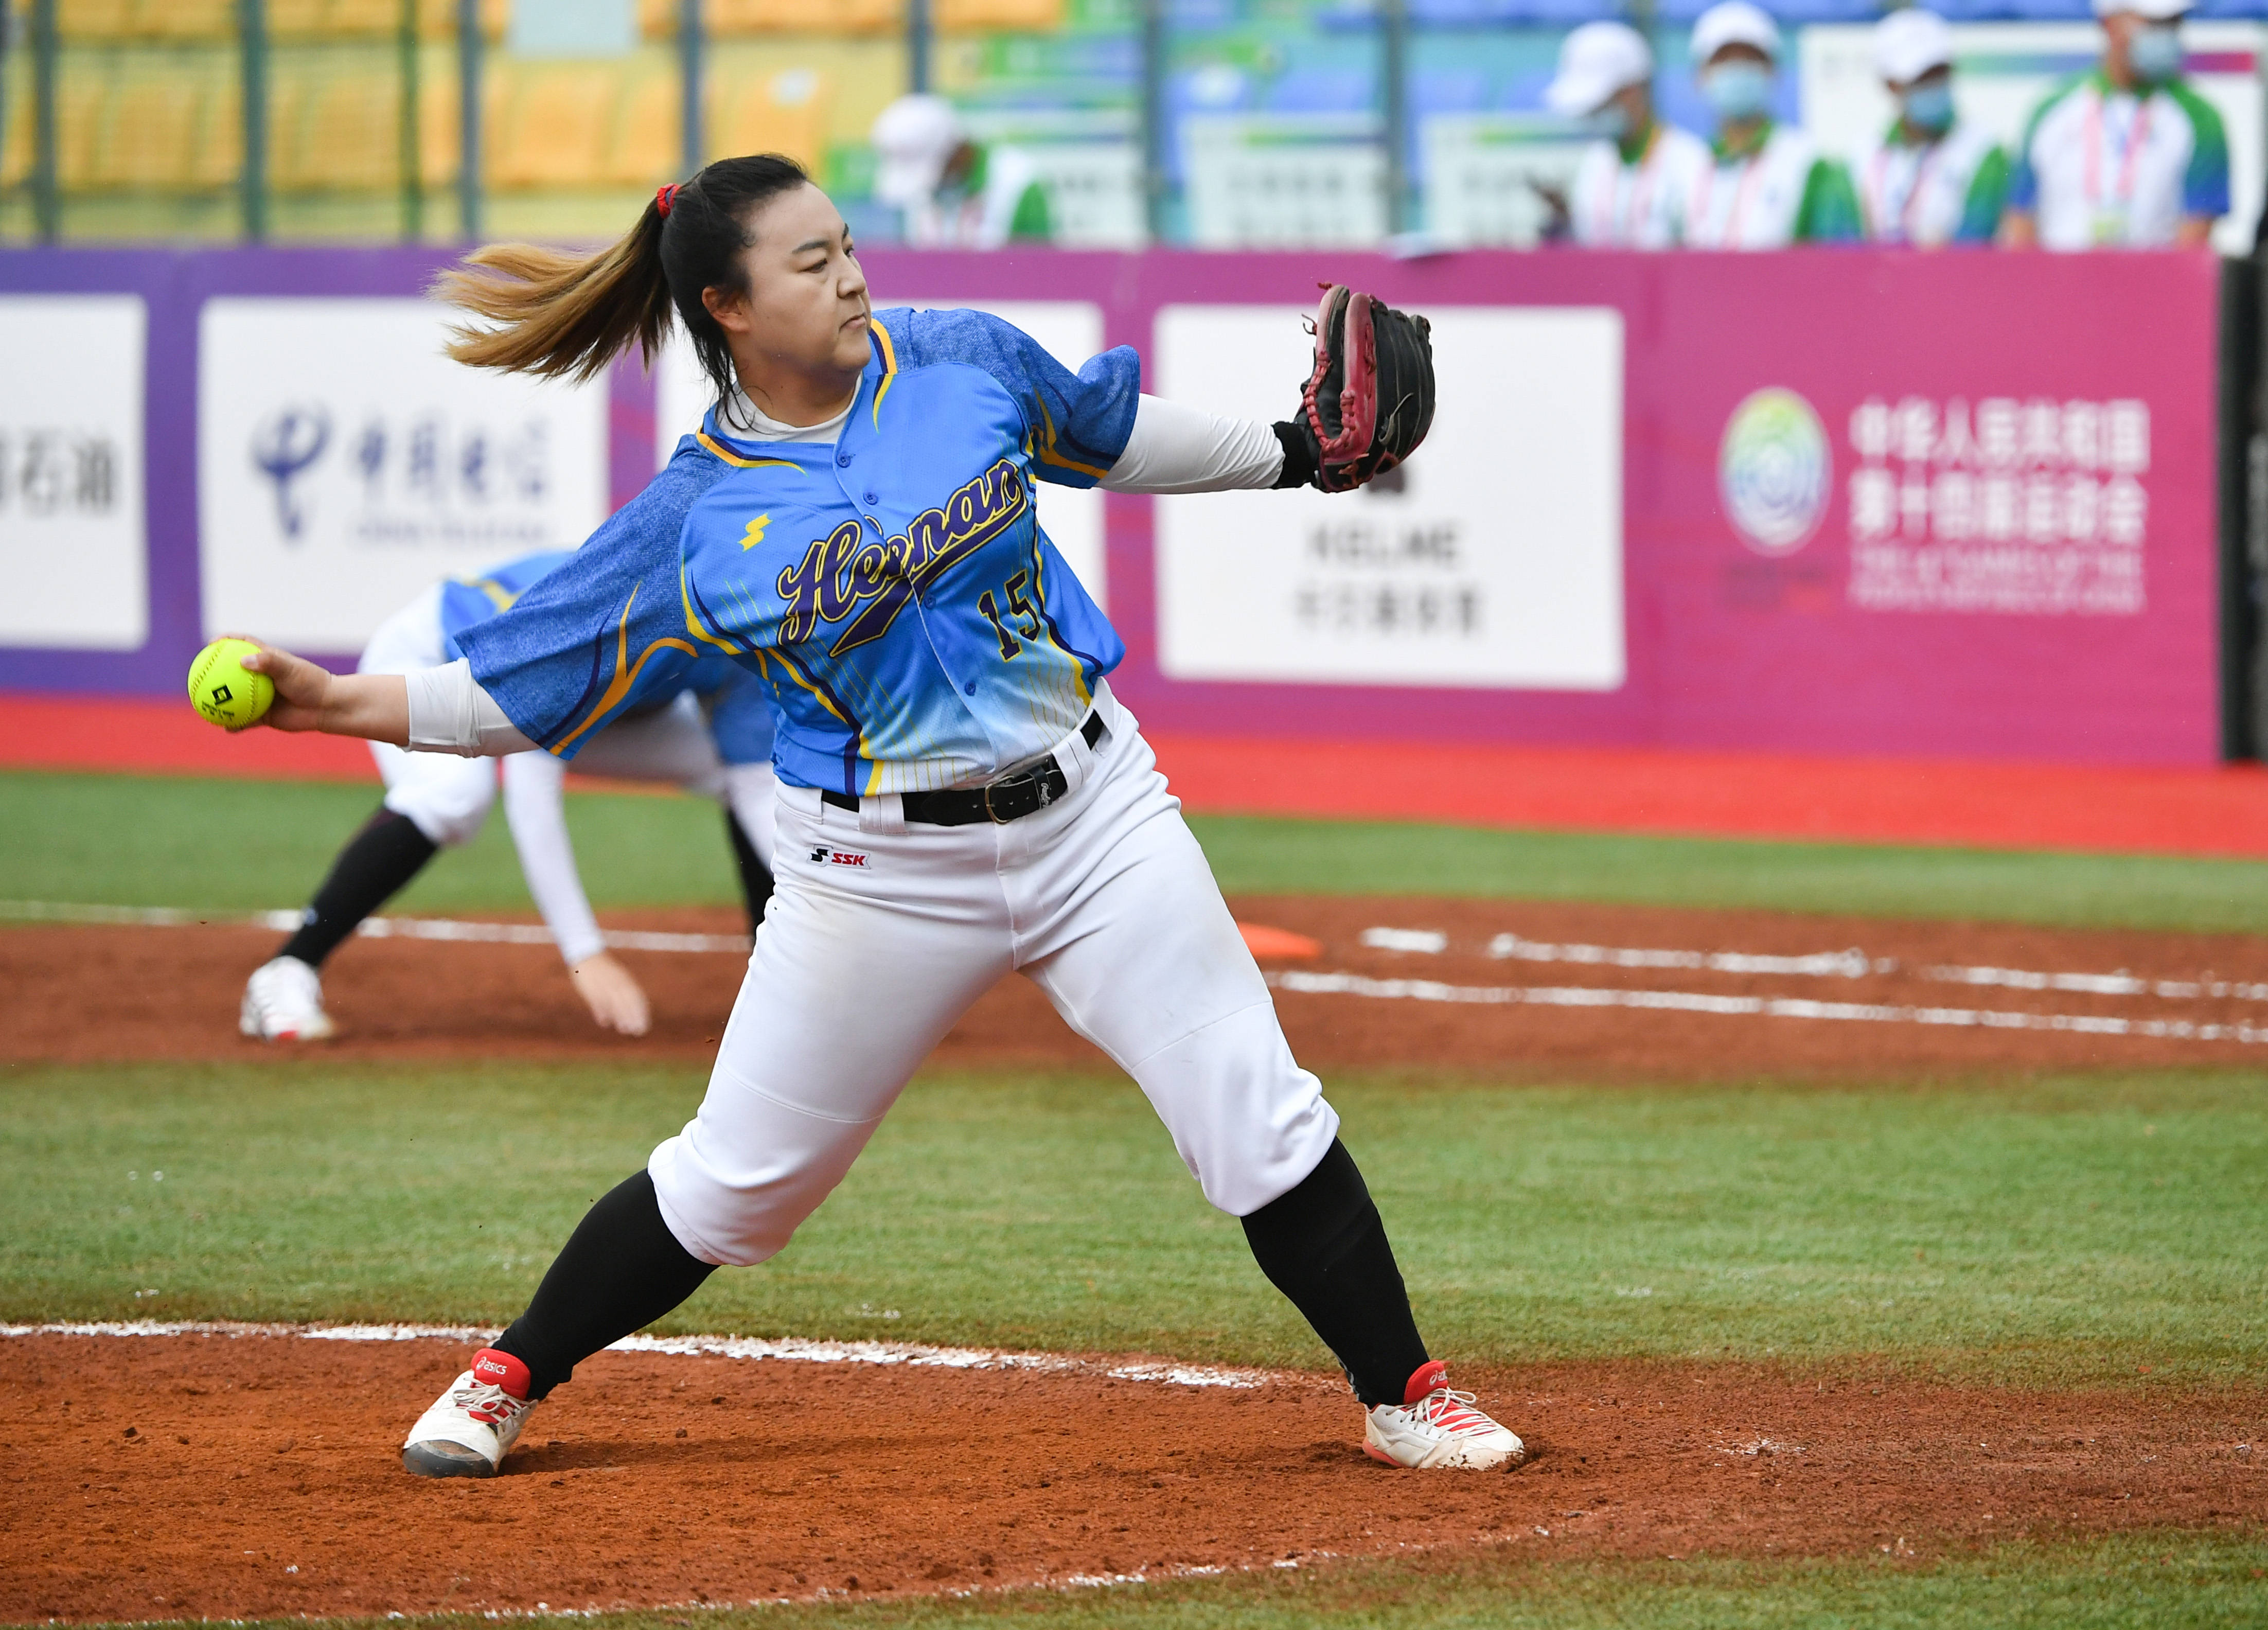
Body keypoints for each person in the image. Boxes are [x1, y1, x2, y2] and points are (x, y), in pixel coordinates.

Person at [237, 155, 1525, 1479]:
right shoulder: (693, 515)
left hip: (1096, 818)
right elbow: (516, 691)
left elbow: (1108, 434)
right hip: (875, 871)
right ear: (728, 306)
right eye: (810, 261)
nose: (851, 273)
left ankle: (1405, 1392)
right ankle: (505, 1371)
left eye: (846, 244)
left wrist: (1294, 455)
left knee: (1254, 1110)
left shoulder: (960, 357)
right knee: (735, 1183)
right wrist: (331, 700)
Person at [238, 551, 778, 1043]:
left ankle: (777, 981)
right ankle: (287, 971)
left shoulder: (746, 634)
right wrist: (584, 954)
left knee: (743, 767)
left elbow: (757, 787)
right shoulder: (600, 620)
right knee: (452, 795)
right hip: (434, 662)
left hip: (605, 707)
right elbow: (531, 789)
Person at [2003, 0, 2227, 250]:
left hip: (2154, 286)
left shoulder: (2202, 118)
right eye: (2153, 24)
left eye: (2173, 24)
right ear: (2110, 25)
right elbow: (2020, 222)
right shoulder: (2051, 109)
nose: (2166, 34)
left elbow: (2195, 236)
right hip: (2059, 284)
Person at [1684, 0, 1861, 249]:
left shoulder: (1811, 164)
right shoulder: (1690, 164)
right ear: (1700, 75)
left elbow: (1834, 266)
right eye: (1724, 60)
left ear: (1773, 71)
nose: (1737, 70)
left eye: (1750, 59)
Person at [1540, 20, 1714, 249]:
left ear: (1634, 90)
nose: (1594, 116)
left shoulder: (1693, 163)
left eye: (1602, 104)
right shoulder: (1596, 162)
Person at [1853, 9, 2009, 247]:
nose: (1934, 85)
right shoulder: (1862, 154)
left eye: (1941, 73)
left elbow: (1973, 248)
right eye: (1922, 78)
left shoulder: (1984, 151)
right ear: (1891, 85)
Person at [870, 93, 1051, 249]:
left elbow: (1037, 271)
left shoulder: (1019, 182)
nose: (928, 184)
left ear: (956, 152)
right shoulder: (913, 190)